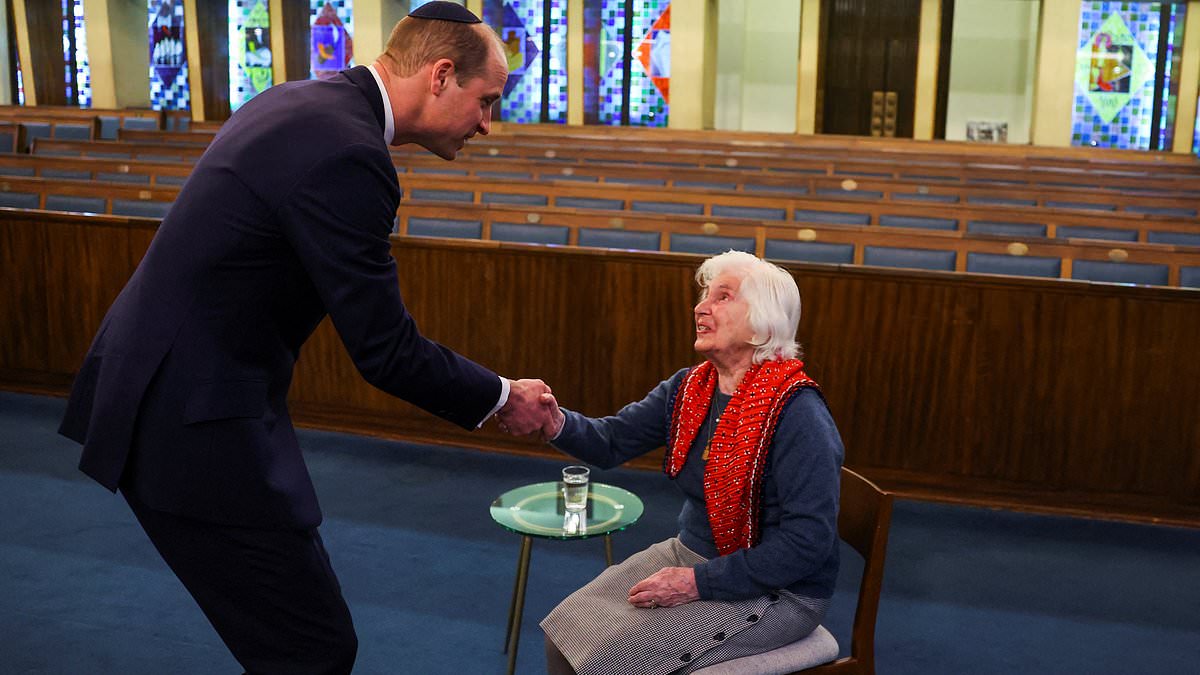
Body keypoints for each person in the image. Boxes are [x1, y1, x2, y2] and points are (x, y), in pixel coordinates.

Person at [57, 3, 554, 673]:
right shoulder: (349, 151)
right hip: (186, 417)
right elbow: (385, 350)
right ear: (440, 75)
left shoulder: (308, 101)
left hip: (187, 394)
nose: (488, 124)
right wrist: (501, 397)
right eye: (486, 100)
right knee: (310, 647)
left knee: (300, 640)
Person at [536, 251, 844, 675]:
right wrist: (553, 422)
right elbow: (610, 441)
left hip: (781, 590)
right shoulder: (690, 387)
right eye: (704, 296)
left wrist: (699, 582)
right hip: (691, 553)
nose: (701, 307)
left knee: (611, 659)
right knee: (564, 632)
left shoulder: (798, 413)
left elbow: (808, 542)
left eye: (723, 297)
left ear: (764, 321)